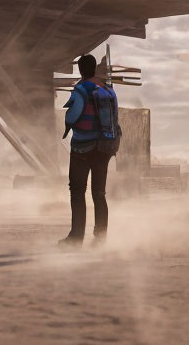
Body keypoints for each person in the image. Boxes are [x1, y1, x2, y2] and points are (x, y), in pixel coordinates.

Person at [59, 53, 120, 247]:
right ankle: (100, 238)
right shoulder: (109, 90)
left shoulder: (81, 89)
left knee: (77, 192)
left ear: (80, 69)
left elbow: (72, 116)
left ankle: (76, 238)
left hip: (82, 147)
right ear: (94, 68)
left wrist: (68, 119)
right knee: (99, 194)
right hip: (104, 147)